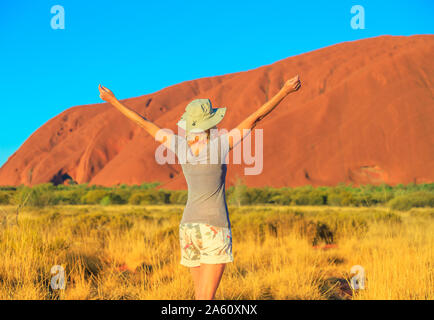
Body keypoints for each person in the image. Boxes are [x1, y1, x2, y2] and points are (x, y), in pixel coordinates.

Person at [98, 75, 301, 299]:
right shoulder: (221, 144)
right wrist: (284, 91)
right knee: (206, 299)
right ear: (210, 123)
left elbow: (144, 123)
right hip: (214, 225)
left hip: (189, 227)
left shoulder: (179, 145)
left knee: (200, 296)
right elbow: (255, 118)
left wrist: (113, 101)